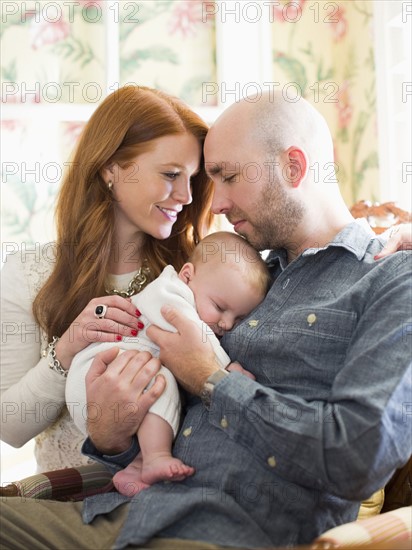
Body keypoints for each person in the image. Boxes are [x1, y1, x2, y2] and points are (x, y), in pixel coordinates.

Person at [1, 93, 411, 550]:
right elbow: (165, 428)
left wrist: (210, 377)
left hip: (225, 534)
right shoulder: (238, 274)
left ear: (294, 167)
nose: (211, 202)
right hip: (131, 514)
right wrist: (112, 436)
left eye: (227, 176)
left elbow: (359, 457)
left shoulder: (389, 276)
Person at [0, 84, 215, 472]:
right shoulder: (28, 275)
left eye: (192, 178)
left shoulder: (196, 272)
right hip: (67, 507)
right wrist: (67, 348)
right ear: (110, 168)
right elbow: (9, 427)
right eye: (170, 174)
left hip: (175, 496)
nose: (185, 196)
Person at [66, 231, 270, 495]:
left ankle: (136, 467)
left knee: (159, 381)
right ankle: (155, 457)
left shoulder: (196, 294)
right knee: (160, 380)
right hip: (98, 375)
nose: (227, 324)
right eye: (220, 307)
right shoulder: (168, 293)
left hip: (114, 390)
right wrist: (225, 371)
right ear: (187, 276)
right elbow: (197, 342)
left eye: (239, 318)